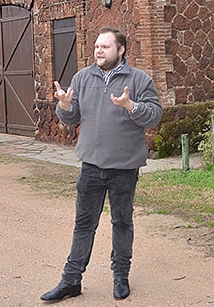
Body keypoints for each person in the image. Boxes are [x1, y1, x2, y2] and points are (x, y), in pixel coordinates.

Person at [41, 26, 162, 302]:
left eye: (105, 47)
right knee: (83, 224)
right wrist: (65, 106)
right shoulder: (82, 78)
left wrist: (131, 106)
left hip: (124, 168)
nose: (98, 50)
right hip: (91, 167)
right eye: (97, 46)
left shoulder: (139, 79)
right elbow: (71, 119)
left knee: (121, 222)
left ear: (121, 50)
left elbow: (154, 117)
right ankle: (71, 280)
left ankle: (121, 277)